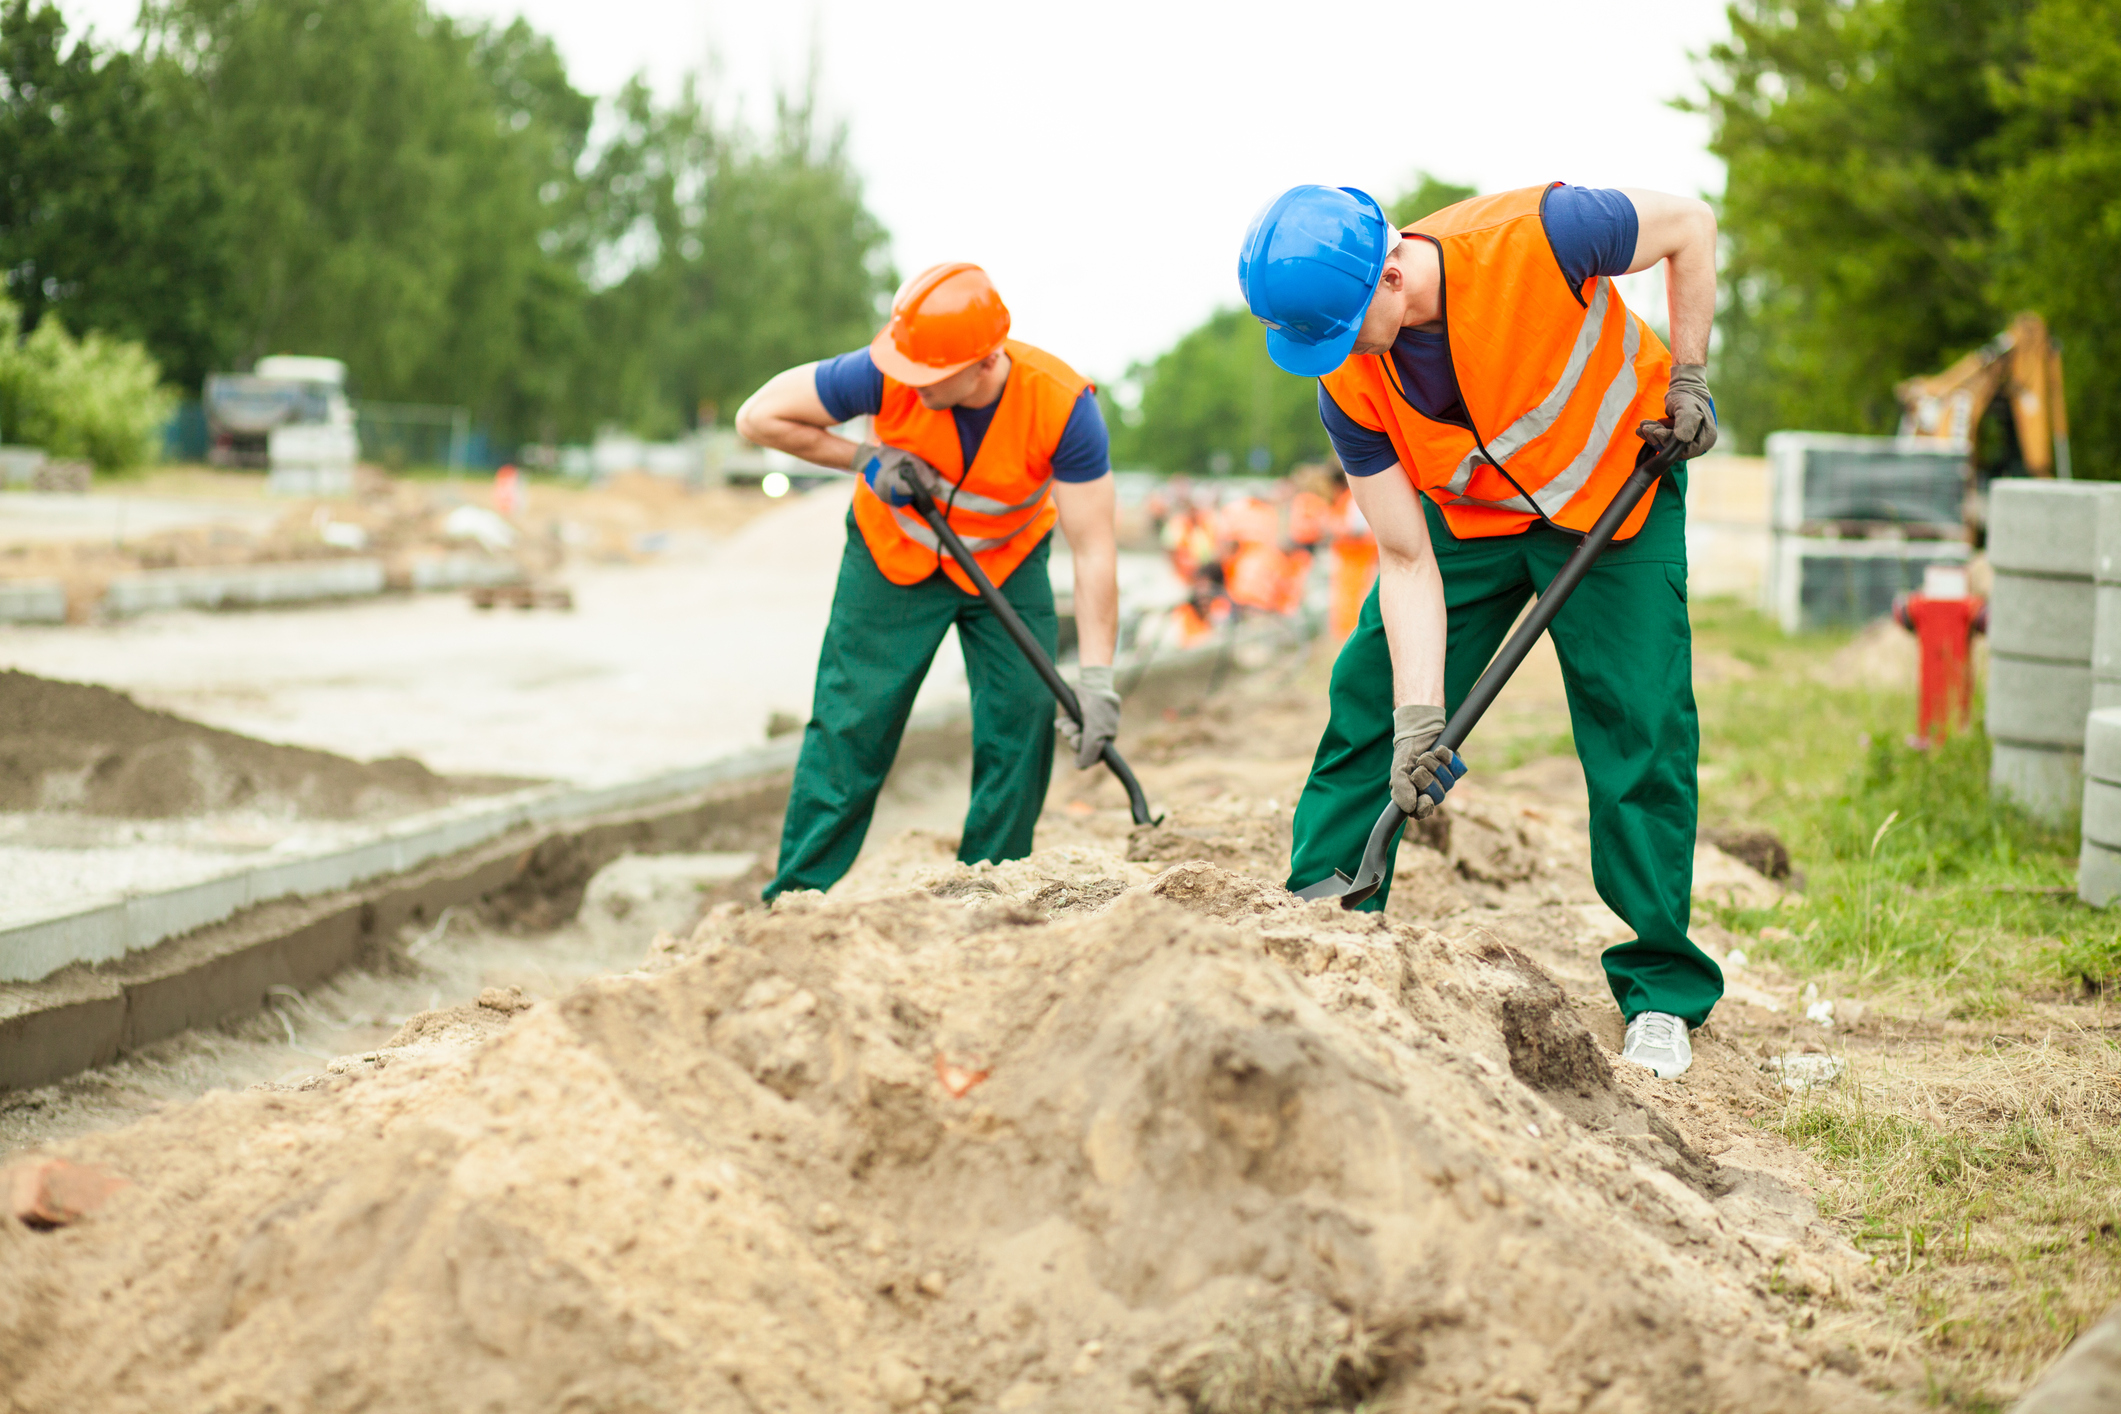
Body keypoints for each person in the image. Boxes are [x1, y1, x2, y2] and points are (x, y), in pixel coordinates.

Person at [1238, 183, 1722, 1079]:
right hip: (1476, 524)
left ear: (1390, 273)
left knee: (1639, 725)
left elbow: (1690, 225)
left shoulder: (1541, 235)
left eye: (1345, 330)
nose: (1341, 356)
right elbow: (1403, 559)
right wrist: (1421, 721)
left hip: (1620, 496)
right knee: (1368, 699)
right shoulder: (1344, 384)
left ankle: (1660, 991)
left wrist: (1687, 375)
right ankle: (1320, 917)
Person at [736, 263, 1121, 899]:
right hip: (892, 560)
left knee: (1021, 719)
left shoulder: (1062, 406)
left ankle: (988, 887)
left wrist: (1098, 681)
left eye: (929, 378)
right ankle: (798, 897)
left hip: (1006, 561)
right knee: (851, 725)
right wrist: (864, 457)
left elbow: (1095, 548)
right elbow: (759, 417)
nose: (911, 386)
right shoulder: (888, 369)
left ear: (983, 363)